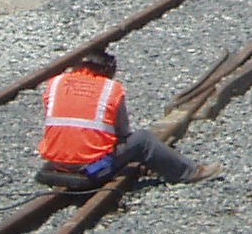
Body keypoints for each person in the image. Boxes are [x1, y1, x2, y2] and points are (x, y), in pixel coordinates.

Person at [37, 50, 218, 188]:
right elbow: (122, 131)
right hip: (92, 166)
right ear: (107, 71)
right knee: (143, 139)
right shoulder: (110, 88)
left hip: (56, 161)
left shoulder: (56, 82)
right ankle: (190, 172)